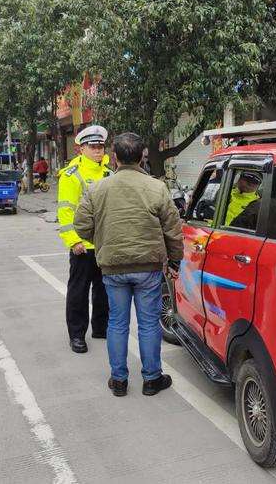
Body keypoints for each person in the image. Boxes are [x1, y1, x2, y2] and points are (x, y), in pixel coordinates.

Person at [74, 132, 184, 397]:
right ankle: (151, 379)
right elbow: (173, 230)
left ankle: (119, 380)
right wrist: (175, 262)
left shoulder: (97, 188)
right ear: (142, 156)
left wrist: (100, 240)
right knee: (148, 324)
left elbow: (81, 225)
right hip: (148, 268)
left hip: (112, 267)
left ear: (114, 158)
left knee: (117, 323)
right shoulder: (157, 187)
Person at [57, 125, 114, 354]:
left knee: (104, 290)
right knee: (79, 292)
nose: (98, 151)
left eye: (101, 146)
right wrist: (73, 241)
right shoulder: (71, 176)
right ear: (81, 149)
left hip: (104, 245)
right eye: (93, 147)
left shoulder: (109, 174)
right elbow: (65, 211)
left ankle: (100, 327)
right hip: (82, 246)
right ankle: (77, 335)